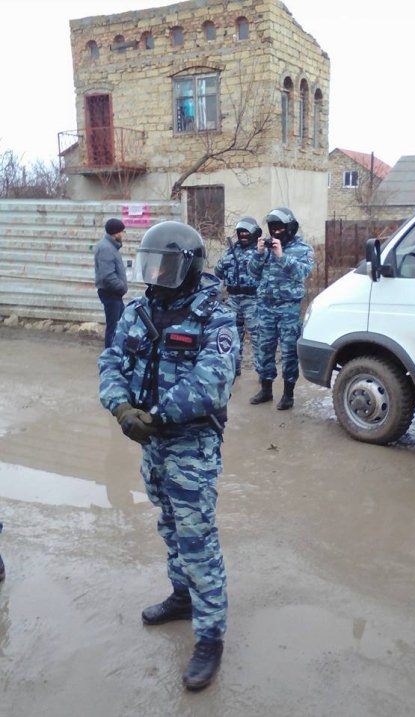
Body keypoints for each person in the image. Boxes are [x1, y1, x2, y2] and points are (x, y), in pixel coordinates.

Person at [98, 221, 239, 691]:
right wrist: (121, 407)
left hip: (191, 444)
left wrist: (155, 416)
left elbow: (212, 383)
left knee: (197, 538)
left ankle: (210, 636)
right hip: (151, 442)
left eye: (167, 266)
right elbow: (111, 362)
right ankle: (183, 596)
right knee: (171, 525)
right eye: (152, 264)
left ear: (190, 268)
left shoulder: (215, 316)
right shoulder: (139, 310)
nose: (157, 274)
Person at [248, 207, 314, 409]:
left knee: (288, 352)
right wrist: (259, 254)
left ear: (290, 227)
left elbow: (303, 273)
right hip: (265, 307)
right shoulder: (267, 248)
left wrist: (282, 256)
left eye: (280, 228)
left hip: (288, 309)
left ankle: (288, 394)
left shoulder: (303, 249)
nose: (276, 232)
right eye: (273, 229)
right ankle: (266, 390)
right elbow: (252, 273)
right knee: (264, 350)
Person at [214, 216, 262, 376]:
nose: (243, 236)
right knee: (232, 336)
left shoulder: (260, 252)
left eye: (247, 233)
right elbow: (218, 272)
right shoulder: (230, 252)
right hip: (233, 299)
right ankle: (234, 370)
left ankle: (263, 374)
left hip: (253, 300)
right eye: (241, 233)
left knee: (257, 338)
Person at [94, 218, 128, 348]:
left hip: (114, 294)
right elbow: (107, 276)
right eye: (122, 231)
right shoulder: (106, 248)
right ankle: (110, 354)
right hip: (110, 293)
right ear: (116, 233)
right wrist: (121, 287)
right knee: (113, 327)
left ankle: (117, 350)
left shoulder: (111, 247)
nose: (123, 234)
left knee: (120, 324)